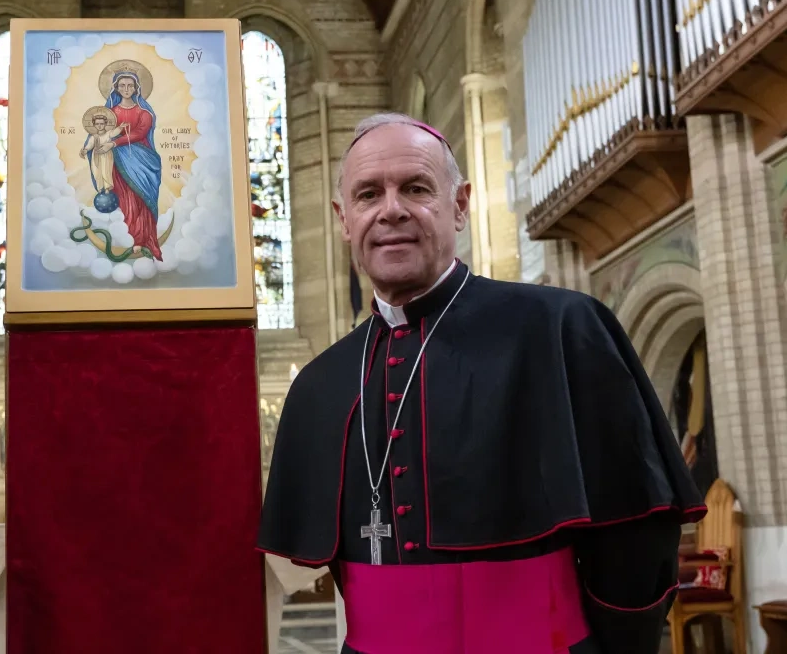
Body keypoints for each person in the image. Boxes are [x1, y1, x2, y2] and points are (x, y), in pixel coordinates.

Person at [257, 112, 706, 654]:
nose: (391, 209)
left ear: (461, 205)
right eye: (368, 194)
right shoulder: (319, 384)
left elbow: (637, 530)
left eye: (417, 188)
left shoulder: (560, 329)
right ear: (344, 218)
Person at [100, 68, 163, 260]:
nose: (126, 89)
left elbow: (140, 134)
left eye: (130, 85)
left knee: (142, 200)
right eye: (122, 85)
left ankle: (144, 238)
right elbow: (101, 133)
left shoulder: (144, 113)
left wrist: (114, 142)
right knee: (126, 200)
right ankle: (130, 237)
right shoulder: (110, 113)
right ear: (116, 89)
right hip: (119, 162)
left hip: (143, 162)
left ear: (136, 88)